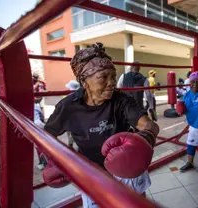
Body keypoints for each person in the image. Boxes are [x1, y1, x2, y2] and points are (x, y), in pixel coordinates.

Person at [43, 43, 159, 207]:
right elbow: (46, 135)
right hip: (92, 174)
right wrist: (54, 159)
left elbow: (150, 125)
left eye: (113, 76)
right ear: (85, 82)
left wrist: (145, 139)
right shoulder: (68, 106)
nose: (111, 83)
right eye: (103, 77)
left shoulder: (121, 100)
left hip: (126, 168)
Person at [65, 80, 80, 150]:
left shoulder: (69, 96)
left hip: (72, 118)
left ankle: (70, 145)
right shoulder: (80, 95)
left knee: (71, 133)